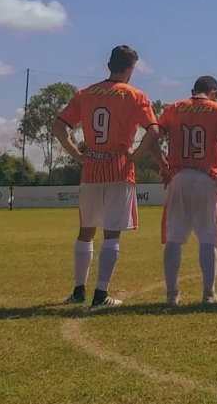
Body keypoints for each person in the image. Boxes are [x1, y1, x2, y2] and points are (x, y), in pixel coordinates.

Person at [51, 45, 159, 309]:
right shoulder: (134, 95)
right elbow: (154, 130)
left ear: (109, 65)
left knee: (85, 231)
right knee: (112, 234)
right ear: (130, 69)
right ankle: (101, 295)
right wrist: (135, 154)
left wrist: (78, 155)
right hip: (119, 169)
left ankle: (79, 291)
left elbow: (58, 126)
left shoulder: (86, 93)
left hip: (91, 169)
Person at [140, 75, 217, 306]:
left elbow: (152, 137)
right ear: (214, 93)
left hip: (179, 176)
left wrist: (163, 165)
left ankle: (172, 294)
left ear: (193, 90)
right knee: (209, 238)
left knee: (174, 238)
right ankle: (209, 294)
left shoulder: (174, 108)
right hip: (206, 177)